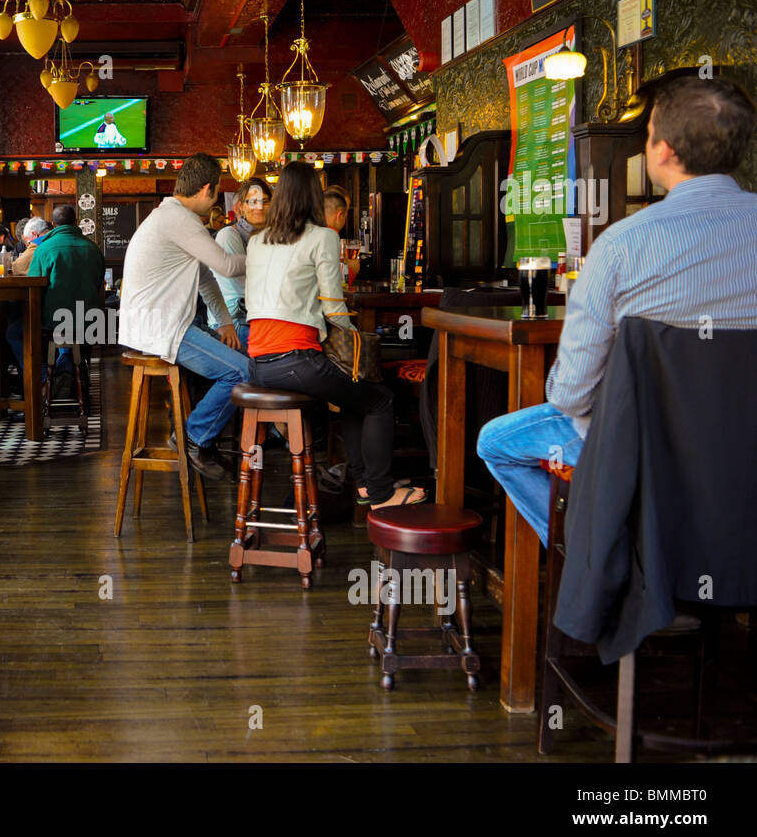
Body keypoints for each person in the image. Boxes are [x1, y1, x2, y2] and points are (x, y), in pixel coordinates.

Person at [477, 75, 757, 545]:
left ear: (663, 150)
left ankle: (606, 559)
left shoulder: (621, 244)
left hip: (646, 451)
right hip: (742, 450)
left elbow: (571, 394)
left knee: (496, 443)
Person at [245, 161, 425, 509]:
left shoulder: (257, 241)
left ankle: (366, 483)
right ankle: (381, 494)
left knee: (352, 396)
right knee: (379, 398)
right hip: (296, 360)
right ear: (314, 196)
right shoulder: (322, 237)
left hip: (258, 363)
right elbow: (333, 308)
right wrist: (357, 338)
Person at [119, 152, 248, 481]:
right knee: (243, 371)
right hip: (162, 329)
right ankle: (193, 437)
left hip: (160, 325)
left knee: (242, 346)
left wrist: (226, 322)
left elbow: (206, 278)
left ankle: (205, 436)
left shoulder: (171, 217)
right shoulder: (179, 220)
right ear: (207, 190)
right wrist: (269, 251)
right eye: (217, 192)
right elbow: (227, 266)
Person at [7, 205, 104, 379]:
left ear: (53, 224)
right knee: (69, 331)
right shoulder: (93, 248)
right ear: (75, 222)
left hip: (56, 322)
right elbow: (98, 285)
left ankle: (45, 379)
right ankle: (66, 373)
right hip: (92, 320)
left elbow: (35, 289)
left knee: (15, 332)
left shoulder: (44, 249)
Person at [213, 178, 271, 348]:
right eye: (252, 201)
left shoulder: (270, 236)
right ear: (241, 207)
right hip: (231, 323)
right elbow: (244, 293)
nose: (259, 207)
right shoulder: (229, 236)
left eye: (265, 201)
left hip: (259, 318)